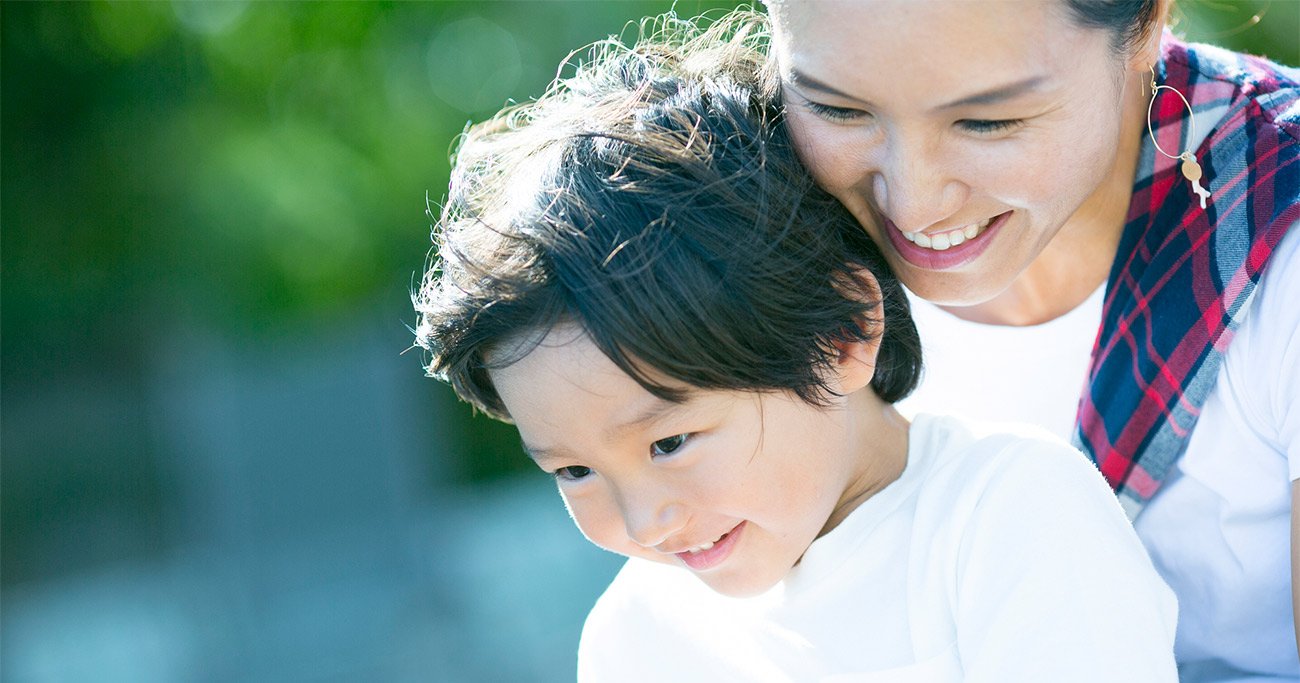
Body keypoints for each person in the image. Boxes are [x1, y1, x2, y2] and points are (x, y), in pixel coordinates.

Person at [413, 17, 1177, 681]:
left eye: (671, 441)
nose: (646, 523)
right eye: (573, 470)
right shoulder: (639, 639)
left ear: (842, 331)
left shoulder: (1007, 520)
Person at [763, 0, 1300, 679]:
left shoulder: (1281, 220)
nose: (914, 203)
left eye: (987, 121)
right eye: (839, 110)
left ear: (1146, 23)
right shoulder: (744, 231)